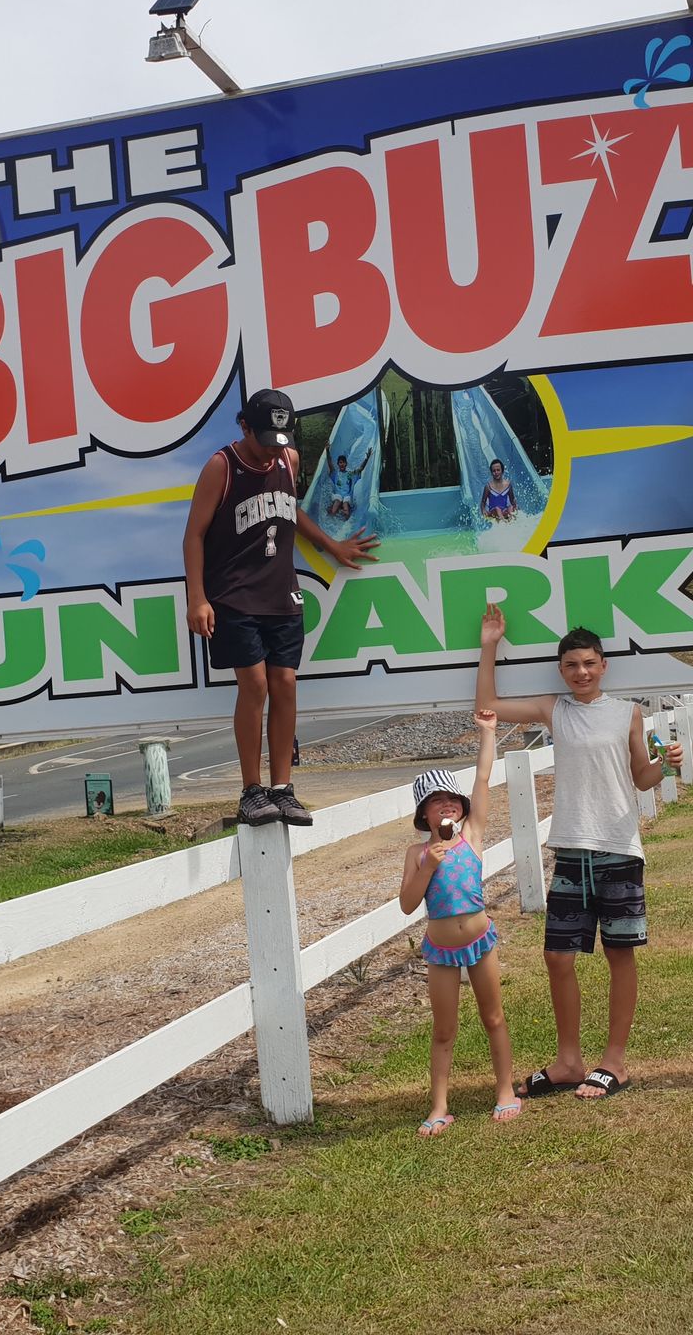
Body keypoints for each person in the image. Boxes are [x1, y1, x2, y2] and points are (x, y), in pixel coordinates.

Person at [477, 604, 680, 1101]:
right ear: (561, 670)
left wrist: (667, 765)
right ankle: (569, 1062)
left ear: (603, 664)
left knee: (618, 953)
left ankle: (614, 1062)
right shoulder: (554, 709)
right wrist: (489, 645)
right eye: (571, 665)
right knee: (557, 957)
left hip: (618, 848)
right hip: (571, 850)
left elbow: (641, 777)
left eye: (589, 663)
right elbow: (488, 704)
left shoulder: (628, 712)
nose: (581, 673)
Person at [184, 389, 379, 828]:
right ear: (244, 427)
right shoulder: (222, 467)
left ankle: (282, 789)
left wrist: (330, 544)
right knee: (254, 685)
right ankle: (251, 791)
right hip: (233, 593)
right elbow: (194, 534)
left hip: (281, 592)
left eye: (281, 438)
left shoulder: (287, 459)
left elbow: (290, 509)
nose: (273, 447)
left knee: (286, 683)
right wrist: (196, 596)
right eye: (264, 438)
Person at [396, 710, 519, 1134]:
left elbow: (483, 779)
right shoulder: (417, 854)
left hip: (480, 939)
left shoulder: (472, 836)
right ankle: (439, 1106)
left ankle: (505, 1090)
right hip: (440, 949)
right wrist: (428, 865)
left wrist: (488, 733)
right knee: (444, 1028)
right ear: (424, 815)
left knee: (494, 1017)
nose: (446, 807)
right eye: (436, 803)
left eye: (451, 800)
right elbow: (407, 905)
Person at [325, 448, 371, 521]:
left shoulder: (350, 474)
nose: (342, 464)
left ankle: (345, 524)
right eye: (340, 462)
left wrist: (366, 459)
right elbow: (330, 463)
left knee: (346, 508)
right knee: (335, 505)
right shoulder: (335, 474)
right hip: (338, 496)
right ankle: (330, 521)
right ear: (338, 464)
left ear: (346, 464)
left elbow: (360, 469)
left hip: (347, 496)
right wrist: (327, 451)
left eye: (343, 462)